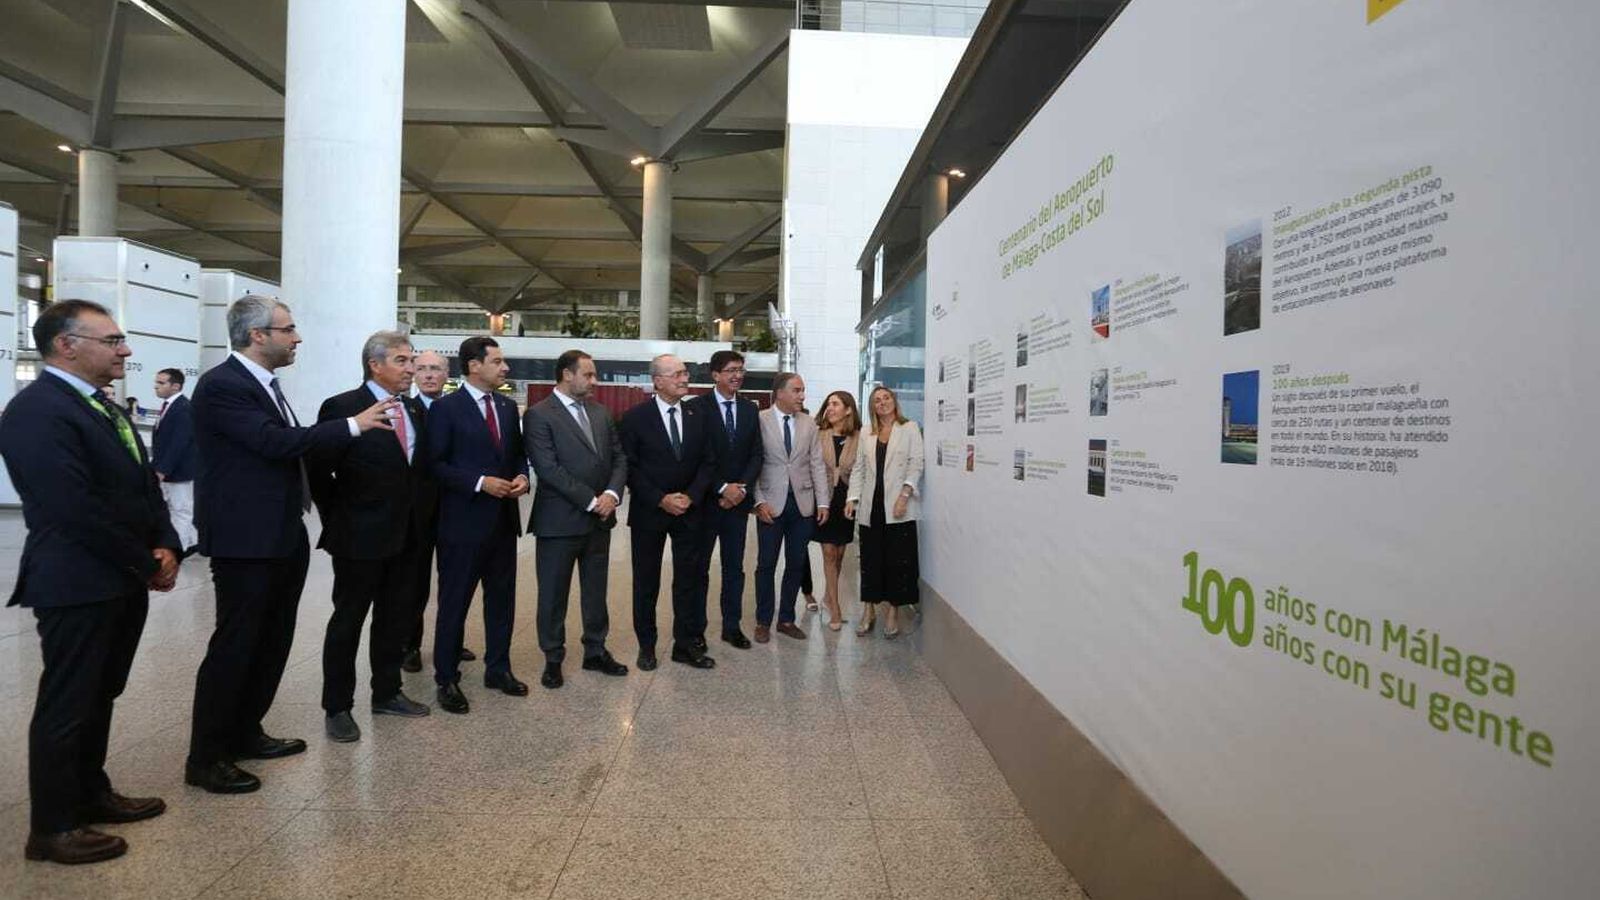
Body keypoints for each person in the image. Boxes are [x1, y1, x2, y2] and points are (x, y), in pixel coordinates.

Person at [186, 295, 398, 795]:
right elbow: (272, 443)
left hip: (280, 533)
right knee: (236, 646)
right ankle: (207, 757)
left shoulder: (265, 385)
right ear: (257, 335)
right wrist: (353, 425)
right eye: (288, 329)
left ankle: (244, 731)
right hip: (245, 540)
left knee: (272, 641)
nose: (297, 337)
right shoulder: (222, 386)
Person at [0, 300, 180, 865]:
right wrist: (144, 560)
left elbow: (141, 484)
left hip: (118, 575)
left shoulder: (103, 407)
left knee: (102, 691)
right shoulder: (37, 411)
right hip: (77, 579)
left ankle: (90, 793)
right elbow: (71, 506)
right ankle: (52, 827)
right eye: (112, 340)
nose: (124, 350)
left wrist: (167, 542)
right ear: (66, 345)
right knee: (68, 701)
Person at [307, 331, 434, 743]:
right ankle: (338, 706)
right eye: (402, 360)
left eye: (411, 360)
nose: (411, 368)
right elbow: (317, 468)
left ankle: (387, 692)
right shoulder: (343, 407)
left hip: (406, 537)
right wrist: (338, 518)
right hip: (359, 538)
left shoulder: (414, 408)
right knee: (348, 621)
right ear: (374, 364)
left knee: (394, 619)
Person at [426, 336, 530, 714]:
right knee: (455, 602)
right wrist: (479, 482)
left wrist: (522, 477)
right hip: (463, 524)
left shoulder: (505, 407)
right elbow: (434, 465)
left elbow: (517, 456)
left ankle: (498, 668)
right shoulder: (446, 409)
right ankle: (446, 678)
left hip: (503, 523)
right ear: (474, 365)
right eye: (498, 361)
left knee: (502, 600)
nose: (505, 369)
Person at [522, 349, 629, 689]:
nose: (594, 381)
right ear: (567, 374)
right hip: (559, 521)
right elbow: (548, 468)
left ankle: (595, 650)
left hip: (600, 520)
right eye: (589, 374)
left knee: (595, 591)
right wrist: (591, 500)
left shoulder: (600, 412)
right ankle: (553, 658)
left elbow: (618, 458)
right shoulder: (540, 415)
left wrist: (611, 496)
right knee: (553, 594)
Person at [619, 354, 716, 671]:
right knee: (646, 582)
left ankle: (684, 645)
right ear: (657, 381)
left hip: (690, 511)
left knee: (688, 580)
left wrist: (690, 496)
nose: (684, 378)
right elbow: (629, 468)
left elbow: (708, 462)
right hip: (650, 512)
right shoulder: (634, 418)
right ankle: (646, 646)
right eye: (677, 374)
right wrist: (661, 499)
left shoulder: (698, 414)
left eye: (685, 372)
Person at [687, 350, 762, 649]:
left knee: (734, 568)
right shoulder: (695, 408)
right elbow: (694, 457)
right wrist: (721, 488)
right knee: (699, 569)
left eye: (741, 370)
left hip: (737, 505)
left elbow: (756, 453)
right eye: (731, 370)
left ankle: (732, 627)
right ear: (715, 374)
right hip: (706, 502)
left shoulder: (749, 409)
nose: (738, 375)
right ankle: (696, 630)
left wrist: (740, 488)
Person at [400, 349, 470, 673]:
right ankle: (409, 644)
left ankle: (451, 639)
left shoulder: (460, 410)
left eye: (436, 369)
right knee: (414, 582)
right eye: (422, 368)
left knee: (455, 580)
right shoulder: (404, 409)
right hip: (417, 512)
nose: (428, 374)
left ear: (447, 374)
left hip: (455, 508)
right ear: (414, 373)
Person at [751, 373, 830, 642]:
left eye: (803, 391)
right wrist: (758, 501)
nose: (802, 396)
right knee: (766, 564)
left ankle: (786, 619)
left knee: (796, 563)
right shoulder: (759, 420)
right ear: (780, 393)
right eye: (796, 391)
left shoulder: (809, 424)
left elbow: (817, 464)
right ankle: (763, 620)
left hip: (803, 505)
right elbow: (752, 464)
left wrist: (822, 502)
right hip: (770, 505)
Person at [846, 385, 924, 638]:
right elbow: (859, 469)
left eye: (886, 398)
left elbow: (916, 464)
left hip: (898, 508)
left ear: (894, 401)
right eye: (877, 400)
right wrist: (852, 498)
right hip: (872, 507)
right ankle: (868, 610)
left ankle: (892, 612)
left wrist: (905, 495)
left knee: (897, 562)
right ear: (872, 407)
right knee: (870, 561)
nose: (882, 403)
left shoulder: (909, 428)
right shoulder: (867, 432)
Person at [811, 390, 862, 630]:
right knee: (829, 553)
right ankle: (836, 608)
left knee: (840, 554)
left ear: (848, 409)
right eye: (828, 404)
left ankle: (828, 596)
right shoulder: (818, 434)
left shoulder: (860, 438)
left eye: (835, 404)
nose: (829, 408)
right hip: (823, 500)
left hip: (846, 500)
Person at [151, 367, 198, 553]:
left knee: (181, 510)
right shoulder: (169, 406)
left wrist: (162, 469)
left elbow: (179, 443)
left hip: (179, 471)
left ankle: (180, 548)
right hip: (169, 469)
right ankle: (191, 542)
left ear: (176, 386)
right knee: (175, 508)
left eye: (161, 383)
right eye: (156, 382)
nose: (156, 387)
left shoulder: (183, 408)